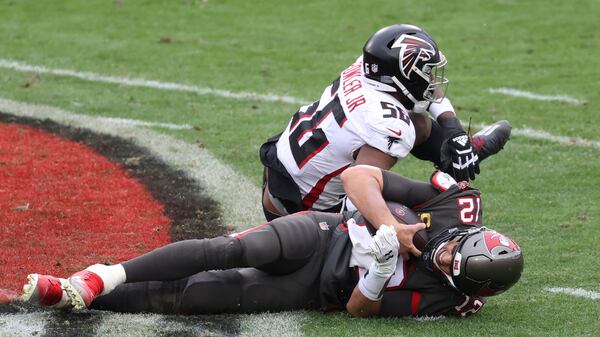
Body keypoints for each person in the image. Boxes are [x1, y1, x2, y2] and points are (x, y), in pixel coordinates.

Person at [21, 167, 523, 317]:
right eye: (460, 243)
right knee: (233, 249)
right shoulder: (451, 207)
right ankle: (101, 275)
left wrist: (375, 272)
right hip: (325, 233)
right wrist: (385, 225)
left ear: (460, 283)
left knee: (200, 296)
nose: (446, 251)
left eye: (454, 262)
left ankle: (69, 290)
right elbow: (359, 176)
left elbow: (359, 312)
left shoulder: (446, 298)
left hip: (319, 288)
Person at [260, 23, 512, 222]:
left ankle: (457, 156)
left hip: (278, 173)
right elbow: (358, 192)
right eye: (425, 73)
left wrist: (454, 131)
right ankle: (448, 185)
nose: (431, 80)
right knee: (406, 217)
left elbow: (426, 93)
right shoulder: (388, 123)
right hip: (299, 211)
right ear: (403, 75)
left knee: (419, 125)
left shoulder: (365, 69)